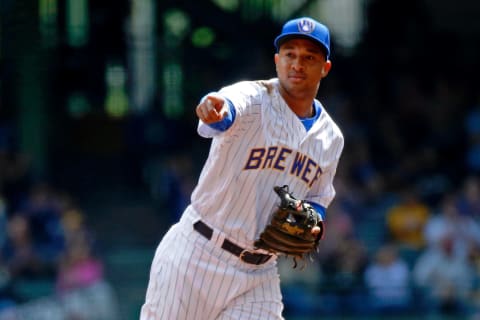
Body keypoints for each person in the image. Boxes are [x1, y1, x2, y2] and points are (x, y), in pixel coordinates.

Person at [140, 16, 344, 320]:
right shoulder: (253, 98)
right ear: (277, 60)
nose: (297, 64)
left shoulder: (331, 138)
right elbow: (225, 108)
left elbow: (318, 197)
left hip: (258, 273)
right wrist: (215, 109)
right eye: (290, 54)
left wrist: (314, 221)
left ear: (324, 68)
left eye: (309, 57)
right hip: (196, 255)